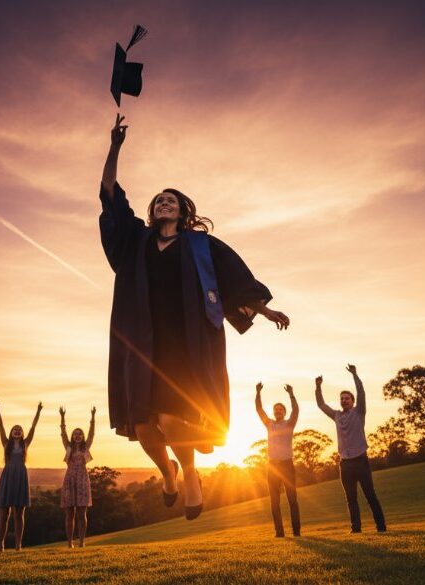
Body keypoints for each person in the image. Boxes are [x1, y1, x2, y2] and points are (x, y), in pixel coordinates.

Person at [99, 114, 290, 520]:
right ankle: (166, 471)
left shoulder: (201, 245)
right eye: (158, 200)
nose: (163, 202)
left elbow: (236, 277)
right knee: (144, 425)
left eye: (171, 199)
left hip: (184, 344)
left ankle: (188, 473)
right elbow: (111, 197)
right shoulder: (136, 241)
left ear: (184, 210)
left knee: (170, 417)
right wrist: (114, 148)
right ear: (152, 212)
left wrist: (264, 308)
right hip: (141, 341)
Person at [315, 365, 386, 533]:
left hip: (361, 460)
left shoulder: (359, 412)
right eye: (342, 398)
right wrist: (318, 387)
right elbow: (321, 405)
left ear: (353, 402)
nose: (344, 400)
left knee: (370, 495)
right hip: (345, 464)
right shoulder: (336, 416)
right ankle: (356, 529)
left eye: (347, 398)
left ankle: (381, 527)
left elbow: (361, 393)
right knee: (351, 498)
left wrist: (355, 375)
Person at [0, 399, 42, 552]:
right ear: (11, 432)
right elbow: (0, 425)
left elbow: (33, 427)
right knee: (4, 513)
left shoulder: (25, 444)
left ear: (22, 433)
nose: (17, 430)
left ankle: (18, 545)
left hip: (21, 477)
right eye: (15, 429)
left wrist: (38, 411)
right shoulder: (6, 443)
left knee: (19, 514)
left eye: (20, 429)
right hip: (8, 477)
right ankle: (1, 545)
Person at [255, 382, 301, 537]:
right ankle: (279, 532)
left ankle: (296, 532)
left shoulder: (290, 423)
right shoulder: (270, 425)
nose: (278, 411)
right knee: (274, 502)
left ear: (284, 412)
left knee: (292, 500)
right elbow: (259, 410)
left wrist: (291, 394)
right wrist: (258, 393)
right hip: (273, 466)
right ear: (274, 413)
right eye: (276, 410)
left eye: (281, 409)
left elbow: (296, 410)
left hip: (287, 465)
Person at [60, 406, 95, 548]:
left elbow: (92, 434)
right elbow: (63, 433)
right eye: (75, 434)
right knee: (70, 514)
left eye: (80, 434)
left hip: (82, 481)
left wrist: (92, 418)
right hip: (69, 481)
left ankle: (82, 542)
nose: (78, 436)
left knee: (82, 513)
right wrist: (62, 417)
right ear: (72, 437)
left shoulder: (86, 447)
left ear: (83, 436)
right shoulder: (68, 447)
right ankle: (69, 543)